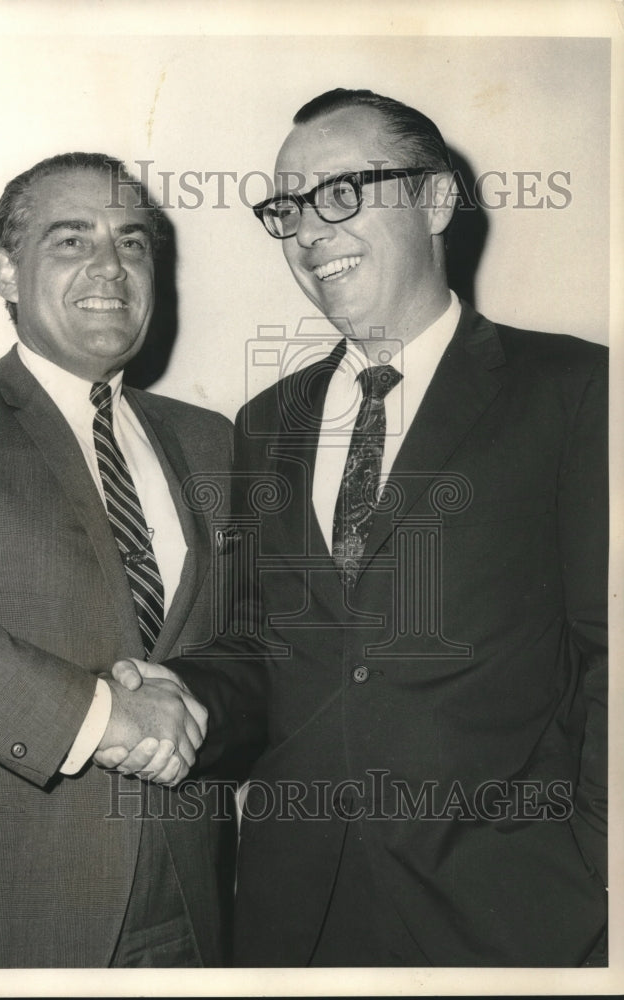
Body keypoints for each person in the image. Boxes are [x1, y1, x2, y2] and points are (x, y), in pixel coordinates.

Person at [114, 89, 608, 966]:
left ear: (437, 199)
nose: (308, 232)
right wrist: (176, 695)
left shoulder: (574, 391)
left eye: (341, 193)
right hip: (294, 913)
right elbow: (273, 647)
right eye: (288, 207)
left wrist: (595, 870)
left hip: (513, 911)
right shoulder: (267, 421)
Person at [0, 151, 262, 968]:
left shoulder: (212, 441)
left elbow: (258, 649)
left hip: (189, 902)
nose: (111, 267)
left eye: (134, 243)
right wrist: (107, 718)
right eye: (72, 240)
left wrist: (193, 713)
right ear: (6, 270)